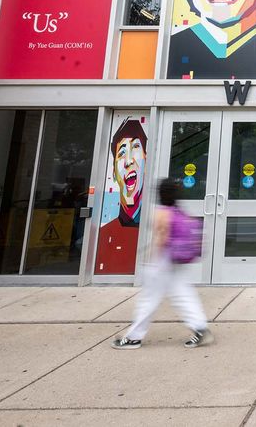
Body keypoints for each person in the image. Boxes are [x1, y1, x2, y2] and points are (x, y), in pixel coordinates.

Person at [111, 178, 211, 349]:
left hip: (163, 261)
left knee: (149, 299)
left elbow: (161, 239)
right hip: (176, 261)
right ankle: (200, 328)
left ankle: (134, 337)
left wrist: (151, 261)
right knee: (184, 294)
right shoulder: (178, 211)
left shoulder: (161, 212)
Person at [96, 119, 147, 274]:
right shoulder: (103, 235)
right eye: (122, 153)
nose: (128, 161)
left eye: (136, 148)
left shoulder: (151, 223)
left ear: (147, 160)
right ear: (113, 172)